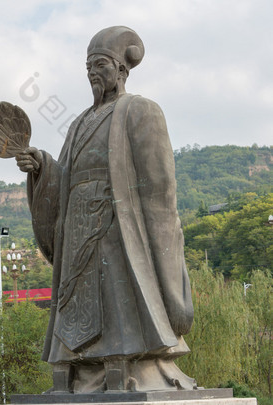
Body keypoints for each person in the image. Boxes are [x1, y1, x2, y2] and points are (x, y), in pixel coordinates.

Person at [15, 26, 196, 393]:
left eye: (100, 64)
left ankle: (125, 364)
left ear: (121, 69)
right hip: (77, 227)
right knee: (76, 298)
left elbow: (159, 186)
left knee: (117, 296)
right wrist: (42, 167)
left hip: (117, 226)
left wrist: (158, 237)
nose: (93, 73)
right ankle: (74, 370)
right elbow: (65, 176)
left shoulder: (140, 110)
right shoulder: (79, 122)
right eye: (88, 67)